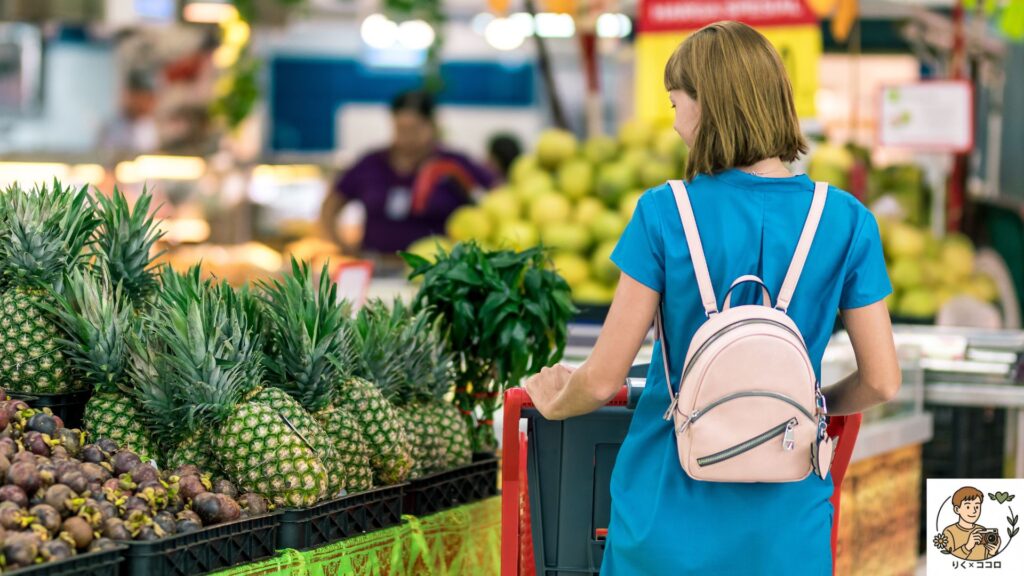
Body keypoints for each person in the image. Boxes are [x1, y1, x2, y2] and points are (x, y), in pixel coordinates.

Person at [523, 21, 901, 574]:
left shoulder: (664, 213)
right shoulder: (846, 221)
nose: (675, 123)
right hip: (788, 526)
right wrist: (802, 410)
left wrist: (558, 399)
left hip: (665, 516)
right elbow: (882, 381)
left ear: (708, 107)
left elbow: (604, 378)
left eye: (676, 103)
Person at [320, 90, 497, 255]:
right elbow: (331, 205)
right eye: (401, 129)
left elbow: (496, 196)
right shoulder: (371, 164)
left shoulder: (454, 165)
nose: (407, 137)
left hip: (439, 271)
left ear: (432, 126)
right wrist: (343, 248)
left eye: (414, 129)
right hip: (377, 267)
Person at [943, 487, 1001, 560]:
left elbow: (986, 562)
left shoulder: (982, 530)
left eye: (977, 507)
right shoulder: (949, 532)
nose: (974, 511)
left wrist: (992, 553)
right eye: (968, 507)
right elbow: (947, 561)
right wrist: (968, 546)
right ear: (957, 509)